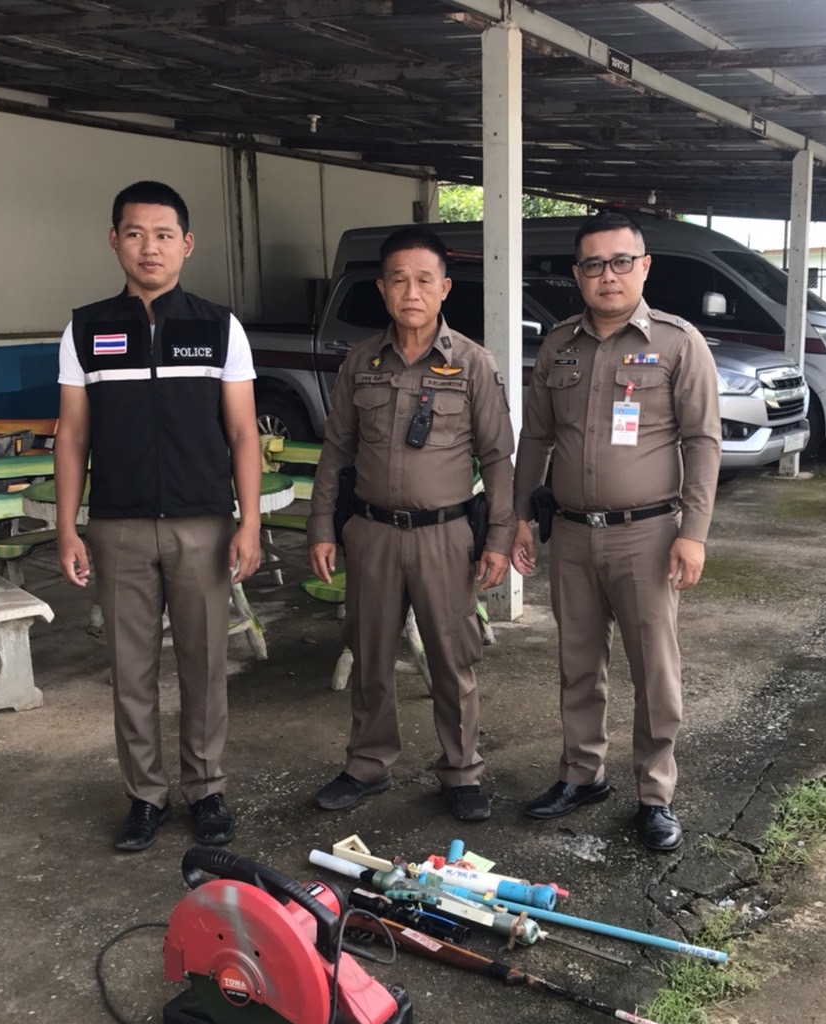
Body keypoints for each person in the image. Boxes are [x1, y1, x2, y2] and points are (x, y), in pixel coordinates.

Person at [53, 180, 262, 852]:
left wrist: (249, 522)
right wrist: (67, 525)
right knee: (131, 669)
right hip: (117, 525)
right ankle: (144, 795)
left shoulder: (218, 327)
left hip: (203, 523)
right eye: (136, 233)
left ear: (187, 244)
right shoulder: (86, 328)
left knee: (205, 664)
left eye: (164, 234)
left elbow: (243, 433)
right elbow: (72, 434)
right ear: (114, 240)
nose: (150, 247)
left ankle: (206, 789)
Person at [510, 210, 720, 851]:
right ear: (578, 274)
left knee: (654, 671)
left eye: (621, 261)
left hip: (647, 536)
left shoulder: (678, 343)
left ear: (644, 266)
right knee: (578, 663)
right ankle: (582, 774)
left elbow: (703, 440)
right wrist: (520, 516)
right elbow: (536, 437)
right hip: (572, 534)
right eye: (594, 264)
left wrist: (694, 531)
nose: (608, 275)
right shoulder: (559, 345)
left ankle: (655, 794)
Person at [307, 227, 515, 822]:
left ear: (445, 288)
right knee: (369, 652)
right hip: (371, 532)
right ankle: (368, 764)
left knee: (452, 658)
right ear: (382, 288)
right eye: (398, 279)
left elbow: (498, 458)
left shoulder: (472, 364)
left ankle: (462, 771)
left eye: (425, 279)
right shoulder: (361, 363)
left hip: (444, 536)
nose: (411, 291)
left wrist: (499, 538)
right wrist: (322, 526)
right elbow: (337, 452)